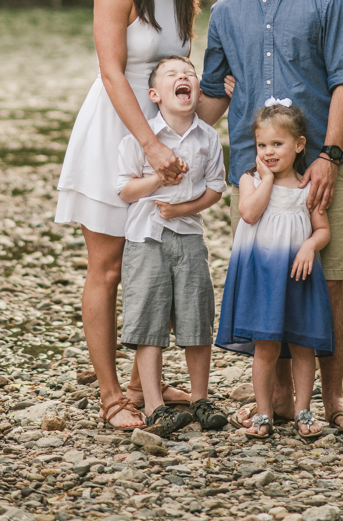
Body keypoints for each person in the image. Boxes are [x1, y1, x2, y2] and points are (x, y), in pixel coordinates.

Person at [199, 0, 343, 433]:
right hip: (254, 176)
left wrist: (329, 155)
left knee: (329, 283)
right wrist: (149, 97)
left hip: (317, 168)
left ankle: (335, 400)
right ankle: (275, 403)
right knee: (268, 286)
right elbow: (210, 97)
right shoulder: (225, 11)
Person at [54, 0, 204, 431]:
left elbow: (176, 75)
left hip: (164, 136)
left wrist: (206, 112)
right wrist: (150, 145)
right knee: (109, 265)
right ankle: (112, 396)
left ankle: (150, 381)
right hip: (117, 133)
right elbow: (114, 72)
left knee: (157, 261)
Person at [117, 55, 228, 437]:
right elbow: (123, 190)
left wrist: (182, 207)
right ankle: (154, 405)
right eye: (171, 75)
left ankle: (200, 398)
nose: (183, 77)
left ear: (196, 91)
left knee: (196, 315)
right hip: (145, 238)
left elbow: (216, 188)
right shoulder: (140, 137)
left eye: (189, 74)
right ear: (155, 94)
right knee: (149, 320)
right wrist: (157, 180)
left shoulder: (208, 137)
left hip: (190, 237)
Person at [216, 101, 333, 439]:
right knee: (265, 345)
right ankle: (264, 412)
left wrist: (310, 246)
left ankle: (304, 411)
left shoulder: (308, 188)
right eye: (261, 145)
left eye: (277, 144)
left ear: (298, 145)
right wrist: (266, 178)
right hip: (263, 277)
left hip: (298, 275)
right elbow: (249, 214)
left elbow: (322, 229)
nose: (268, 152)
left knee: (302, 344)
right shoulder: (250, 179)